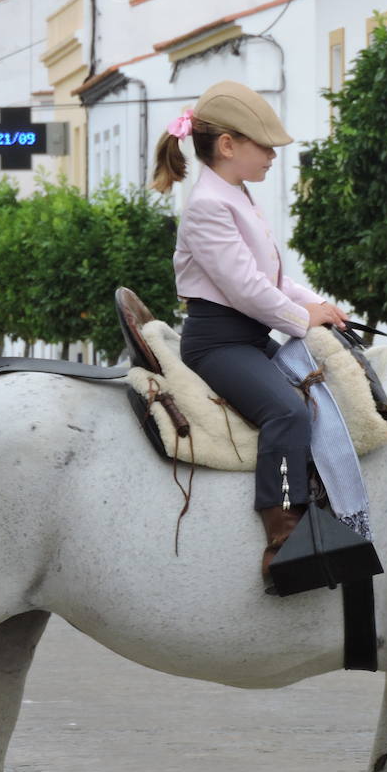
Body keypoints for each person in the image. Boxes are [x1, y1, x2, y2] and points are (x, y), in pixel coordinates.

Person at [151, 80, 347, 581]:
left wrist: (317, 303)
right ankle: (283, 540)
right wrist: (302, 320)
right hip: (219, 343)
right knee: (287, 412)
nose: (273, 157)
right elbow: (244, 289)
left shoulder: (236, 196)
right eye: (265, 146)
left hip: (249, 336)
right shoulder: (207, 206)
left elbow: (273, 280)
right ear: (228, 145)